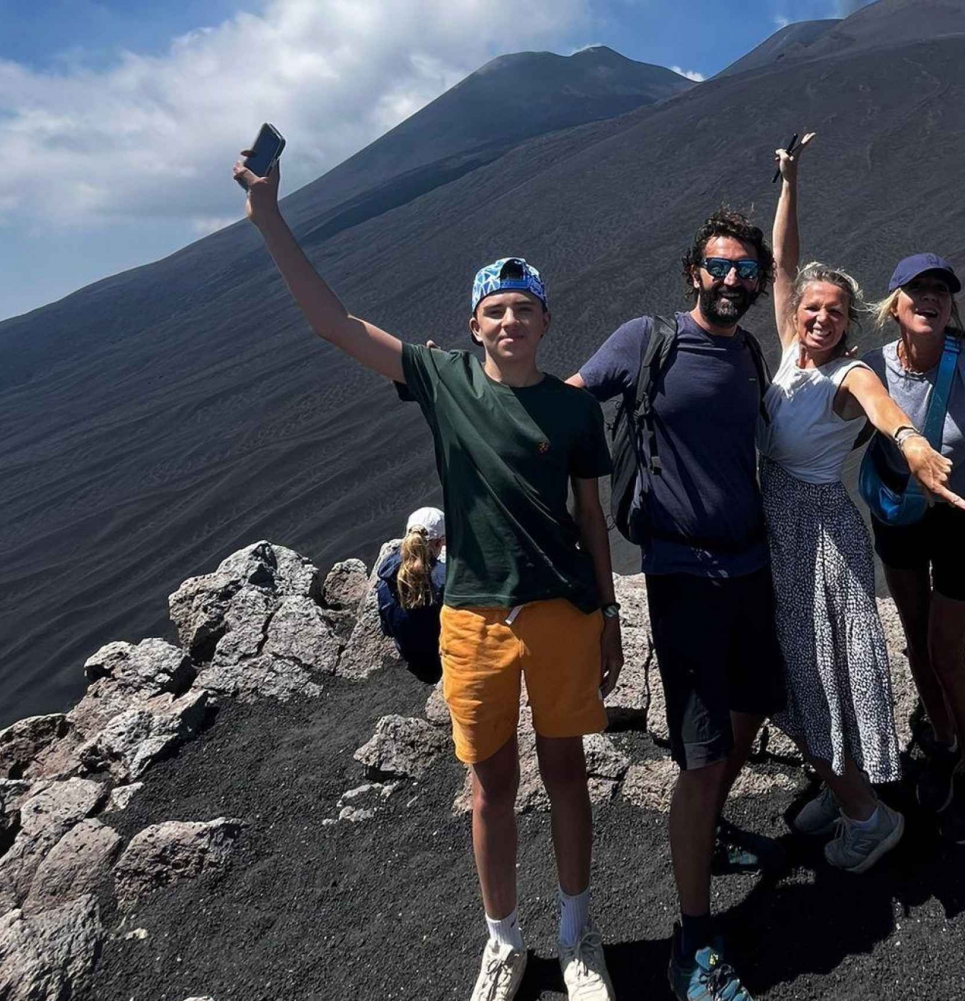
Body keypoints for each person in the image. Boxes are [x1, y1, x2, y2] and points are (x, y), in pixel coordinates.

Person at [235, 154, 623, 1001]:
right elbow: (336, 324)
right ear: (474, 325)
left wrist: (610, 613)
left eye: (523, 307)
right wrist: (269, 218)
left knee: (566, 773)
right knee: (490, 786)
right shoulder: (444, 381)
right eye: (496, 309)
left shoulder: (573, 408)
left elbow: (592, 517)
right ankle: (503, 939)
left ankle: (576, 934)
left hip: (562, 610)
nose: (510, 319)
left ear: (545, 319)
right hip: (474, 615)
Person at [569, 207, 782, 1001]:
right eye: (718, 266)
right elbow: (567, 402)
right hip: (682, 574)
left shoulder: (749, 351)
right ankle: (691, 940)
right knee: (700, 753)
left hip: (750, 564)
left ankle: (711, 831)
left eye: (745, 269)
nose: (731, 280)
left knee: (750, 710)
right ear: (695, 271)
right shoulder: (647, 340)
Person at [760, 134, 961, 873]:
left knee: (815, 667)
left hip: (815, 531)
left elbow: (883, 408)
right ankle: (836, 780)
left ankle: (869, 816)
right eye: (813, 308)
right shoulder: (791, 350)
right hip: (781, 523)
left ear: (850, 322)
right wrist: (790, 184)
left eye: (836, 312)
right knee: (806, 664)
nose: (821, 318)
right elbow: (783, 263)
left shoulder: (849, 374)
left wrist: (912, 444)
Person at [863, 253, 965, 846]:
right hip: (900, 515)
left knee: (944, 650)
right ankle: (942, 738)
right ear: (895, 305)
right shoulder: (872, 368)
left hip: (963, 517)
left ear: (952, 304)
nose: (930, 297)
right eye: (917, 289)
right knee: (916, 641)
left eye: (941, 289)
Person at [376, 507, 449, 684]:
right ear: (439, 542)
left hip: (412, 659)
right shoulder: (443, 580)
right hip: (440, 662)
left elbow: (387, 629)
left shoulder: (386, 578)